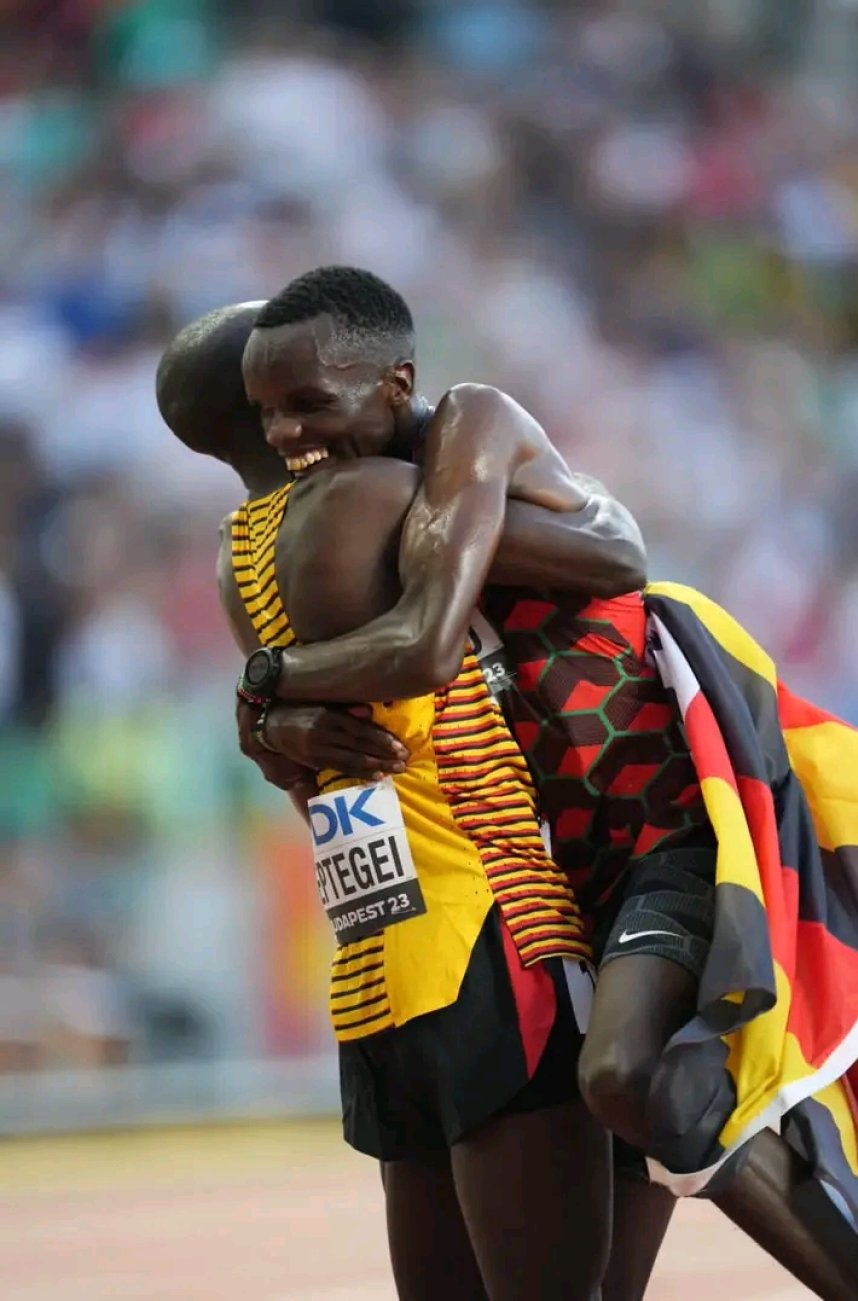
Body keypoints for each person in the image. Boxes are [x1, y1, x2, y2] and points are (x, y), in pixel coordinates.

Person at [233, 266, 858, 1299]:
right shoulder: (362, 501)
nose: (285, 435)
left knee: (627, 1075)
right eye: (265, 413)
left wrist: (264, 683)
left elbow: (427, 642)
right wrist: (278, 717)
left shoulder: (467, 432)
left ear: (397, 382)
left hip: (666, 828)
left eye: (311, 403)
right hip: (571, 869)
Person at [157, 301, 675, 1301]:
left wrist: (260, 702)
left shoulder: (236, 557)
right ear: (264, 402)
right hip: (497, 925)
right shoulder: (381, 496)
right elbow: (615, 553)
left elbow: (300, 710)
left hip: (375, 952)